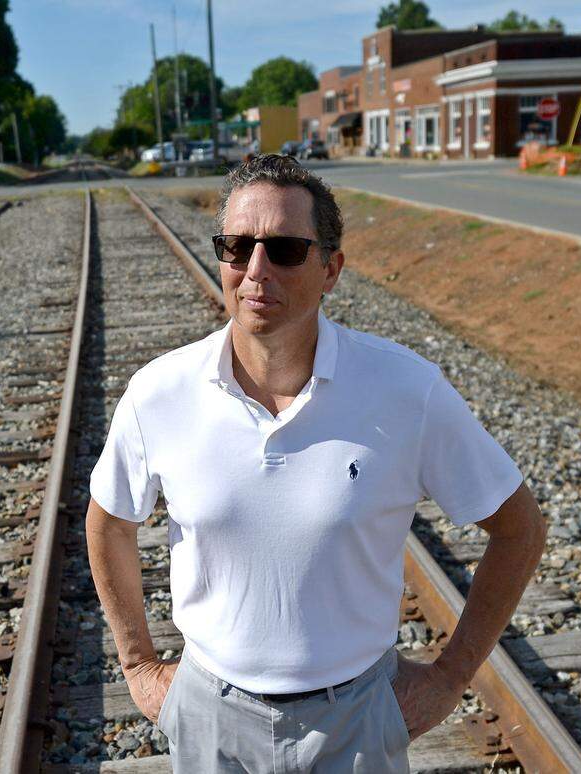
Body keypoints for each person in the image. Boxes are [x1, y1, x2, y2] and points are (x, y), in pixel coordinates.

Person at [86, 154, 547, 772]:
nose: (255, 271)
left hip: (357, 721)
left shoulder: (406, 389)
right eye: (236, 246)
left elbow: (518, 528)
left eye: (284, 250)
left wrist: (448, 677)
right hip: (212, 721)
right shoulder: (158, 392)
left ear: (331, 269)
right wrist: (139, 666)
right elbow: (109, 521)